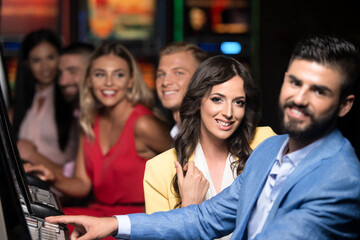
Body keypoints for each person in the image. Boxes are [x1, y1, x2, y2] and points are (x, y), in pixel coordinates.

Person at [47, 34, 360, 240]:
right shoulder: (271, 149)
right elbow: (208, 217)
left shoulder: (340, 180)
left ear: (344, 105)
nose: (299, 99)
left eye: (319, 91)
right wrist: (114, 224)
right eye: (295, 83)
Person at [27, 41, 172, 227]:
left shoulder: (143, 124)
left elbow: (190, 162)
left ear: (130, 81)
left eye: (118, 75)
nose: (109, 82)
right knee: (39, 221)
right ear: (88, 80)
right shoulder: (89, 122)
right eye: (100, 74)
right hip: (97, 213)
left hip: (134, 221)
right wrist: (53, 177)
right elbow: (82, 184)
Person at [144, 56, 275, 222]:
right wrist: (189, 207)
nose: (228, 112)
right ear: (199, 101)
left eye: (238, 102)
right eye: (217, 99)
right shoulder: (159, 169)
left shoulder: (265, 143)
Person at [12, 29, 76, 175]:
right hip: (28, 191)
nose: (45, 66)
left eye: (50, 57)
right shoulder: (22, 103)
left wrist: (32, 156)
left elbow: (79, 176)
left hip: (62, 191)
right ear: (27, 64)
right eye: (37, 60)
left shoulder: (72, 99)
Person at [155, 41, 208, 138]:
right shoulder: (176, 133)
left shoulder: (210, 136)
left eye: (178, 73)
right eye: (161, 74)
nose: (165, 82)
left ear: (201, 78)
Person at [58, 42, 95, 177]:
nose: (62, 81)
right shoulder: (79, 112)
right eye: (60, 73)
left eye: (72, 71)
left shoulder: (105, 115)